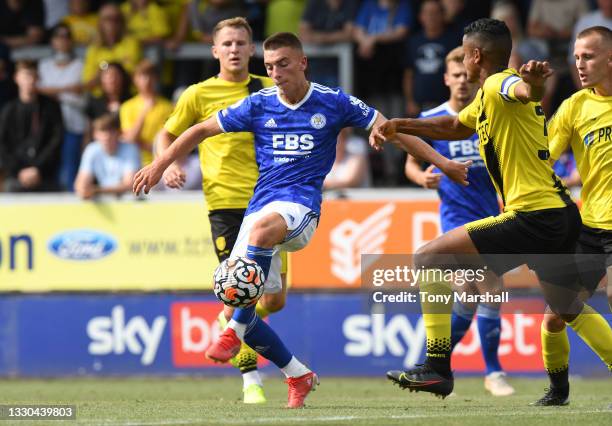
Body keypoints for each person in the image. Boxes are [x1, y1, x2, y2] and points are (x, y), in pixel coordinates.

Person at [134, 31, 470, 408]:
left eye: (283, 64)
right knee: (239, 301)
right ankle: (297, 373)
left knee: (244, 289)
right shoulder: (258, 104)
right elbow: (198, 130)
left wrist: (441, 162)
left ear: (303, 62)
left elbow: (392, 129)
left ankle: (232, 334)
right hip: (260, 206)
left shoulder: (333, 101)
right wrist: (159, 165)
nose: (275, 73)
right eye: (269, 66)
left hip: (301, 209)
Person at [371, 18, 612, 398]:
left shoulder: (500, 84)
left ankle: (437, 367)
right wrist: (398, 124)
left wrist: (532, 83)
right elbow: (453, 126)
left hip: (534, 215)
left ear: (475, 55)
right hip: (558, 213)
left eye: (465, 54)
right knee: (566, 307)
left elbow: (524, 91)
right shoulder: (485, 98)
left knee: (428, 258)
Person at [157, 17, 275, 405]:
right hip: (224, 203)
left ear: (252, 48)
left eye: (241, 43)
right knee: (244, 294)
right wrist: (170, 162)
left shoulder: (267, 88)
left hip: (270, 200)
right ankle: (251, 381)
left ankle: (228, 319)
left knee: (273, 300)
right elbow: (168, 133)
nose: (235, 49)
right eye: (227, 43)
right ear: (215, 50)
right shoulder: (198, 93)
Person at [403, 46, 513, 397]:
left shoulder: (488, 116)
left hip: (491, 215)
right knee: (491, 290)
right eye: (457, 76)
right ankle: (494, 373)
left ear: (477, 78)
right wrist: (423, 179)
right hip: (455, 219)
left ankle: (432, 365)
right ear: (446, 78)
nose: (464, 82)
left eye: (469, 76)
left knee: (469, 296)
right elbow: (411, 164)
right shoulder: (433, 119)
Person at [533, 25, 612, 406]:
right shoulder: (575, 106)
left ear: (610, 58)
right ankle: (558, 391)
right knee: (554, 317)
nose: (580, 64)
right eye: (576, 57)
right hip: (591, 226)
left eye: (589, 56)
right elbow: (541, 159)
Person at [37, 23, 87, 191]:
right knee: (49, 171)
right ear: (52, 41)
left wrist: (51, 92)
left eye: (66, 36)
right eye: (58, 36)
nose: (63, 40)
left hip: (74, 125)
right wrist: (68, 89)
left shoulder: (80, 64)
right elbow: (39, 91)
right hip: (48, 127)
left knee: (69, 171)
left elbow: (81, 98)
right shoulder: (44, 65)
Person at [0, 60, 63, 192]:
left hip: (45, 173)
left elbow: (56, 140)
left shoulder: (51, 107)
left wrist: (38, 168)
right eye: (26, 75)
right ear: (16, 78)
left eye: (33, 76)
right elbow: (3, 145)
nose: (30, 80)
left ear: (38, 78)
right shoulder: (8, 110)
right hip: (16, 175)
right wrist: (19, 171)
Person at [74, 113, 140, 199]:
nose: (106, 136)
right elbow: (80, 183)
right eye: (102, 131)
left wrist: (96, 190)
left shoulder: (130, 149)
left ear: (119, 133)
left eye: (111, 131)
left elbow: (130, 185)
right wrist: (83, 189)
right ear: (95, 134)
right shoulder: (91, 150)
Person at [120, 59, 173, 166]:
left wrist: (140, 143)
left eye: (151, 76)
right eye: (142, 76)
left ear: (157, 79)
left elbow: (169, 142)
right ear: (134, 79)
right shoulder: (127, 106)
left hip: (159, 164)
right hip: (132, 163)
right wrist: (144, 112)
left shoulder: (168, 107)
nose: (147, 80)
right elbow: (130, 139)